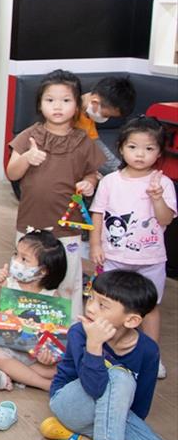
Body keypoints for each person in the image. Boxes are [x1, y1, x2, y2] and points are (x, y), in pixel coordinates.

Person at [41, 270, 177, 440]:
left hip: (110, 416)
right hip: (70, 404)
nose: (91, 307)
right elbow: (93, 388)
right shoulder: (80, 333)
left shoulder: (148, 350)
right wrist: (94, 346)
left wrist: (122, 428)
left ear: (131, 320)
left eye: (102, 305)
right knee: (119, 376)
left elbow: (140, 404)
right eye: (91, 297)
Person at [7, 69, 102, 309]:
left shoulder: (83, 140)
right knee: (27, 278)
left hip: (67, 226)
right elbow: (12, 173)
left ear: (77, 105)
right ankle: (22, 325)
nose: (57, 106)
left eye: (66, 100)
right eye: (50, 100)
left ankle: (69, 327)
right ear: (40, 104)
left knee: (68, 281)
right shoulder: (29, 136)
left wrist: (89, 183)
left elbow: (92, 173)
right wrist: (27, 157)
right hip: (31, 223)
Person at [91, 117, 175, 375]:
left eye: (149, 148)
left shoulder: (163, 183)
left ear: (159, 153)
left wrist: (157, 198)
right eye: (133, 147)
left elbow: (166, 220)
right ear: (121, 148)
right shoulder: (110, 181)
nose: (140, 154)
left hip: (150, 259)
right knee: (110, 305)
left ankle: (151, 357)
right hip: (114, 256)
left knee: (150, 308)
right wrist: (95, 245)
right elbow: (98, 215)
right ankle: (104, 351)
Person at [0, 230, 68, 391]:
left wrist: (48, 355)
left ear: (43, 270)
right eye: (16, 254)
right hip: (4, 347)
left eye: (24, 259)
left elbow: (54, 335)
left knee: (61, 367)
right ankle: (44, 384)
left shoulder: (52, 295)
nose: (16, 261)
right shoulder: (9, 284)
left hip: (32, 354)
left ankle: (13, 373)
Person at [76, 75, 136, 175]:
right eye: (106, 115)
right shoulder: (66, 111)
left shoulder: (87, 115)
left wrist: (122, 170)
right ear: (95, 102)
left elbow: (97, 147)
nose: (106, 119)